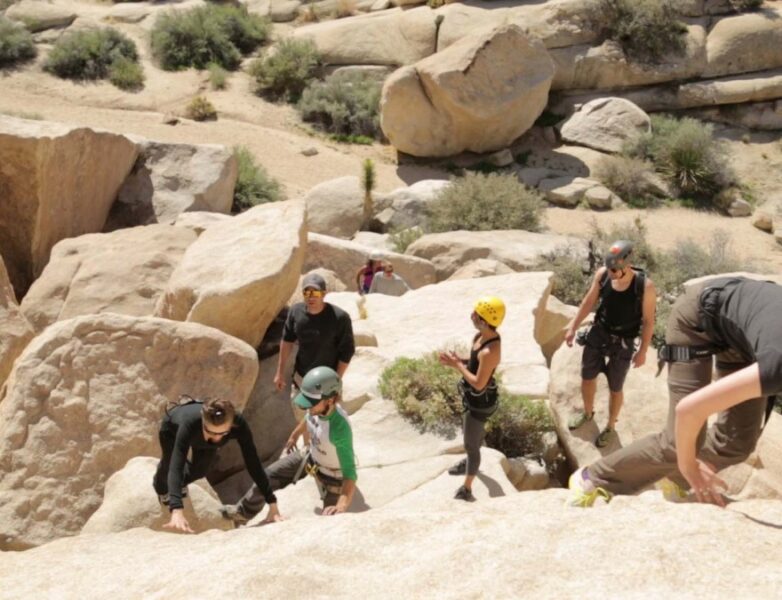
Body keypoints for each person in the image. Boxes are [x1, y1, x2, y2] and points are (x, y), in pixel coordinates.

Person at [568, 276, 782, 507]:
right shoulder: (777, 367)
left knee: (737, 442)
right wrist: (688, 462)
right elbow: (689, 410)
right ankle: (594, 477)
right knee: (678, 442)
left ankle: (677, 480)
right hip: (697, 318)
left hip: (742, 334)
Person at [221, 366, 358, 524]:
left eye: (311, 403)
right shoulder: (317, 407)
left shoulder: (340, 429)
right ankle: (243, 512)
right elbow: (308, 418)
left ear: (331, 399)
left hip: (332, 478)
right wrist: (295, 435)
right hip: (311, 456)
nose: (306, 406)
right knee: (268, 475)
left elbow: (350, 474)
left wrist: (341, 506)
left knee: (330, 522)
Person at [563, 240, 656, 447]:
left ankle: (610, 426)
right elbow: (589, 302)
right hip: (599, 333)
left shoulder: (644, 286)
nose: (611, 272)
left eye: (615, 269)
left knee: (616, 388)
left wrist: (642, 351)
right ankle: (588, 414)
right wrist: (573, 326)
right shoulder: (603, 275)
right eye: (610, 267)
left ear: (627, 265)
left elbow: (649, 321)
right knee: (587, 377)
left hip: (623, 342)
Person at [153, 396, 282, 533]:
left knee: (200, 471)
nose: (216, 438)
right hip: (172, 430)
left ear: (231, 425)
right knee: (169, 466)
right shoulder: (189, 424)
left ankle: (180, 483)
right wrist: (176, 509)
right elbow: (176, 466)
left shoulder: (239, 425)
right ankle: (160, 486)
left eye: (223, 433)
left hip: (199, 436)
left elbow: (253, 463)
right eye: (211, 432)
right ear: (203, 421)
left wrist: (272, 503)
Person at [439, 296, 504, 502]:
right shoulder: (480, 336)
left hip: (480, 403)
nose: (472, 316)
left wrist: (457, 366)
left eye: (476, 314)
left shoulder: (489, 350)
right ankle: (469, 462)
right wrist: (460, 361)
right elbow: (475, 362)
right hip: (473, 399)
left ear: (484, 321)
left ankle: (466, 489)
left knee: (471, 446)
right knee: (471, 435)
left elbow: (478, 383)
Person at [273, 272, 355, 396]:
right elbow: (287, 340)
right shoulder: (296, 312)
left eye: (315, 292)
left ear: (324, 294)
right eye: (307, 292)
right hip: (301, 380)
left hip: (327, 382)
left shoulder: (340, 318)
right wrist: (280, 372)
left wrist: (336, 382)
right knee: (300, 414)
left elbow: (347, 351)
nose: (311, 297)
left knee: (325, 416)